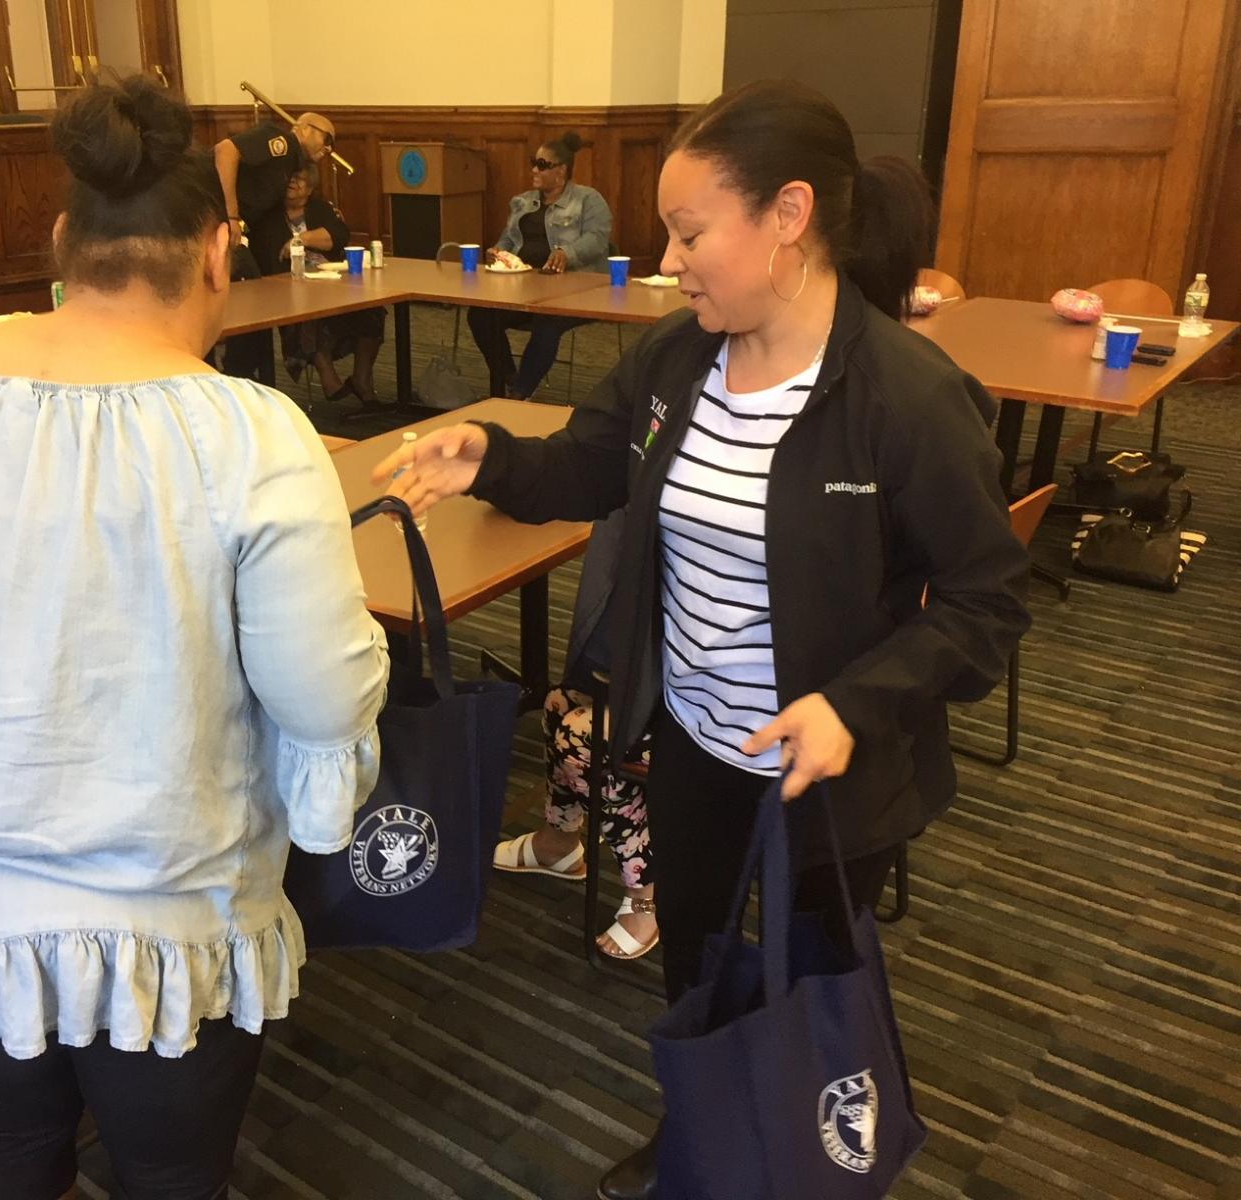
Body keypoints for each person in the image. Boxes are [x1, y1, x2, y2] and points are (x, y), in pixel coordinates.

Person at [377, 79, 1030, 1199]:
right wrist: (489, 449)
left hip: (826, 770)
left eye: (689, 233)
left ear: (787, 215)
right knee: (692, 959)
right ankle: (704, 1132)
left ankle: (791, 1154)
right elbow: (591, 462)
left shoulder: (906, 398)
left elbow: (987, 601)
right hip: (691, 741)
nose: (672, 260)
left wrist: (852, 705)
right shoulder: (682, 358)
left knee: (800, 976)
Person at [0, 77, 389, 1200]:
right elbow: (319, 700)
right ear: (220, 254)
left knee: (9, 1153)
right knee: (170, 1172)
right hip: (160, 910)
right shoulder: (252, 433)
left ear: (64, 242)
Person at [492, 512, 656, 959]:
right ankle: (558, 843)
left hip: (726, 714)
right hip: (656, 672)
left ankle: (646, 895)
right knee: (559, 705)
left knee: (585, 738)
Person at [468, 132, 612, 398]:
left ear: (561, 171)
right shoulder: (523, 201)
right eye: (534, 162)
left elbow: (598, 240)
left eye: (543, 165)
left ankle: (520, 394)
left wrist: (567, 253)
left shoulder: (588, 200)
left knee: (548, 321)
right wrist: (499, 252)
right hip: (524, 288)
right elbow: (509, 238)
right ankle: (510, 378)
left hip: (575, 292)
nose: (534, 169)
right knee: (480, 315)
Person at [212, 112, 337, 382]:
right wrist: (231, 216)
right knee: (250, 293)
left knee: (256, 296)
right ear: (303, 128)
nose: (327, 150)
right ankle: (237, 374)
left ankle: (246, 375)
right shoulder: (280, 140)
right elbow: (225, 151)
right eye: (326, 139)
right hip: (214, 221)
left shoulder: (290, 164)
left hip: (231, 231)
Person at [254, 163, 386, 405]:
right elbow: (268, 255)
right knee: (305, 315)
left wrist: (301, 239)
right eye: (289, 178)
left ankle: (362, 377)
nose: (293, 183)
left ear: (311, 187)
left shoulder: (321, 208)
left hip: (332, 284)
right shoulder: (269, 216)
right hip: (287, 288)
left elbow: (337, 236)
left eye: (300, 179)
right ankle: (328, 377)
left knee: (372, 309)